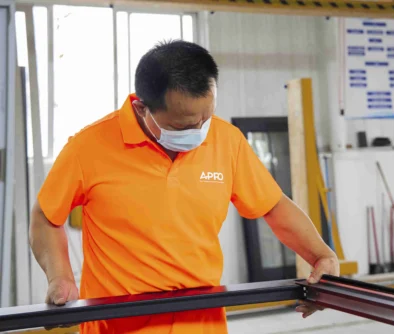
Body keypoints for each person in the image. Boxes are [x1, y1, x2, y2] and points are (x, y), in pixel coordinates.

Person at [29, 40, 339, 334]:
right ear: (141, 108)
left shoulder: (226, 140)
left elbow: (273, 205)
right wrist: (61, 278)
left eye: (207, 116)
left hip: (202, 321)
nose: (201, 130)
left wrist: (320, 256)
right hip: (118, 325)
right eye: (185, 124)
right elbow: (46, 215)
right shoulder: (89, 148)